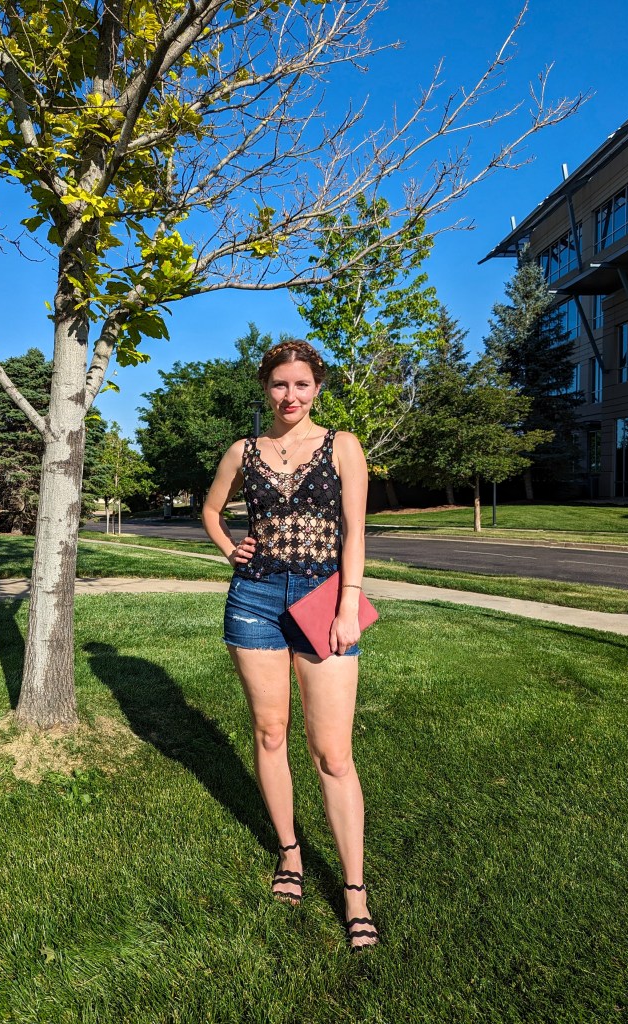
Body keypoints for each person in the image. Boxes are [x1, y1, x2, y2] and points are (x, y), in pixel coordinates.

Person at [202, 339, 379, 951]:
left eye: (302, 385)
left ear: (317, 388)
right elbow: (211, 509)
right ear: (266, 387)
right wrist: (230, 547)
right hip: (252, 600)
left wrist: (350, 604)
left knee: (332, 751)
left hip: (322, 597)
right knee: (270, 734)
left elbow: (357, 530)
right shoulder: (243, 450)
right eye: (281, 384)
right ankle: (290, 854)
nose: (291, 396)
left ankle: (354, 890)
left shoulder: (343, 446)